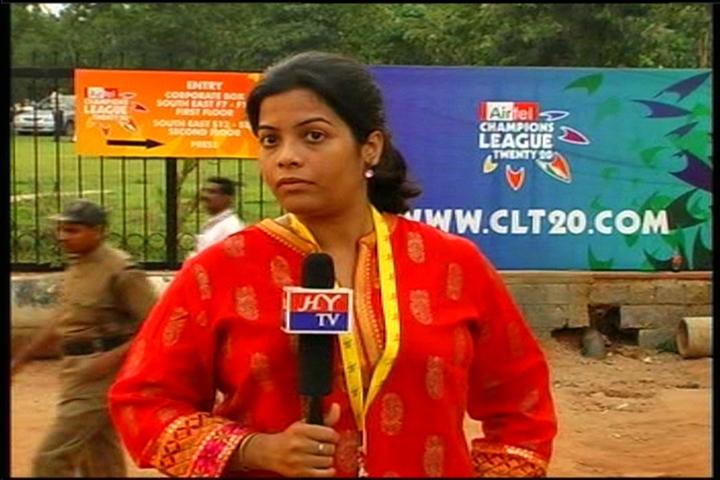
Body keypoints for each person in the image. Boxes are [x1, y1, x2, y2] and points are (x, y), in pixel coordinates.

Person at [108, 51, 557, 477]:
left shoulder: (453, 264)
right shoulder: (219, 270)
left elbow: (521, 402)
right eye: (270, 140)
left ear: (370, 147)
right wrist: (255, 449)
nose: (286, 156)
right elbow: (142, 401)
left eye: (313, 136)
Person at [11, 198, 157, 477]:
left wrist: (108, 361)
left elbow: (154, 327)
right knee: (100, 458)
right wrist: (22, 359)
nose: (62, 236)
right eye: (61, 229)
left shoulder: (121, 272)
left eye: (72, 230)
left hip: (101, 374)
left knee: (50, 459)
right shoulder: (78, 266)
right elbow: (62, 321)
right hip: (75, 369)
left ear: (98, 231)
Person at [186, 176, 245, 259]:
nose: (204, 195)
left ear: (228, 198)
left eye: (212, 192)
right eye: (204, 191)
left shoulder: (231, 228)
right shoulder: (215, 223)